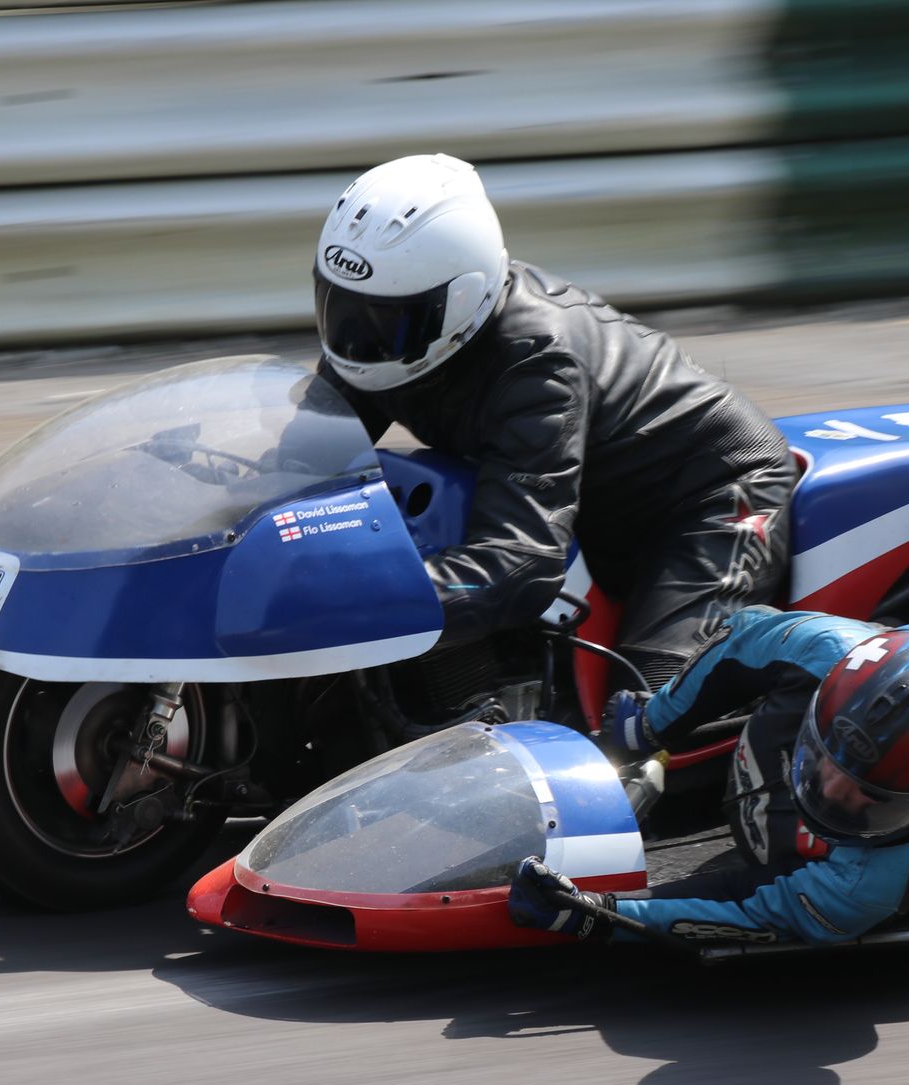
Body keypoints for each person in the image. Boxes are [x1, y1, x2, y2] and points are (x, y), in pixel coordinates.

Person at [311, 153, 795, 689]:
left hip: (708, 495)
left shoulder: (537, 368)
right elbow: (294, 465)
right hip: (585, 498)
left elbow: (519, 566)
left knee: (646, 711)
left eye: (383, 322)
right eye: (341, 308)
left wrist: (365, 602)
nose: (355, 341)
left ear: (460, 300)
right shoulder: (374, 349)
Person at [507, 606, 909, 946]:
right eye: (831, 760)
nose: (829, 792)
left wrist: (599, 913)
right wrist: (652, 722)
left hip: (783, 868)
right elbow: (742, 638)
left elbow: (747, 911)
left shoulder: (868, 887)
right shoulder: (826, 647)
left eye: (866, 792)